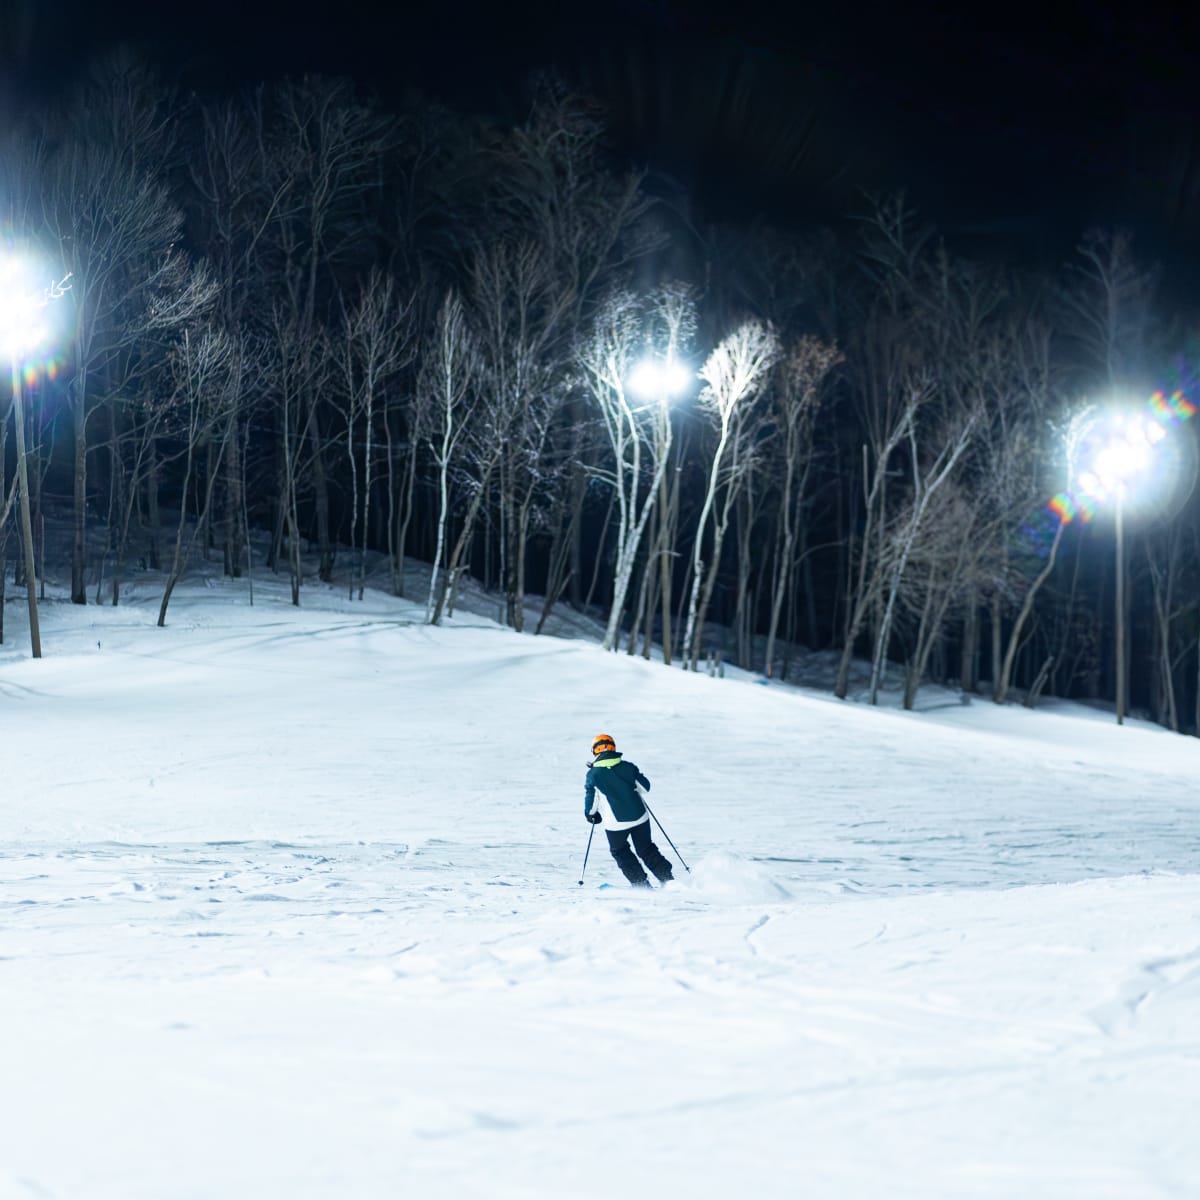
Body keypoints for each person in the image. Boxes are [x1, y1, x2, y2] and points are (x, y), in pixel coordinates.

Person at [584, 733, 674, 888]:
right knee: (646, 849)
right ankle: (668, 880)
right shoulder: (628, 766)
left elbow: (592, 802)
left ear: (595, 751)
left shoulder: (593, 774)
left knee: (620, 851)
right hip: (640, 817)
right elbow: (645, 787)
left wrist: (590, 815)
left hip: (615, 824)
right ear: (613, 748)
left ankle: (640, 884)